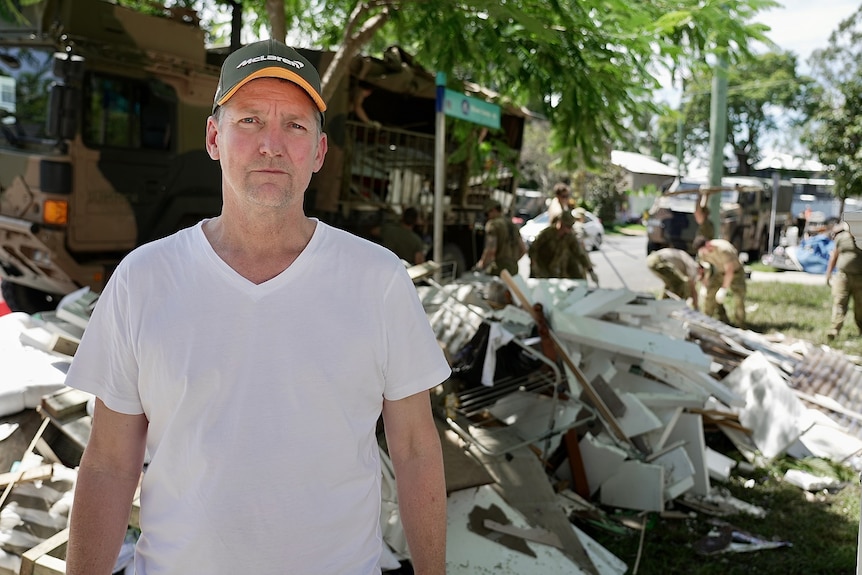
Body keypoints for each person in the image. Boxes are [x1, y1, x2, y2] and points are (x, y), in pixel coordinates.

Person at [64, 39, 450, 575]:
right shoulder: (144, 279)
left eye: (294, 125)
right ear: (214, 137)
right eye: (249, 120)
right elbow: (108, 463)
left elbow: (414, 449)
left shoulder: (378, 280)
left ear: (319, 151)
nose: (272, 144)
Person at [529, 210, 598, 283]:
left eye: (570, 227)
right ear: (560, 223)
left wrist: (590, 271)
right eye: (567, 226)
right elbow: (533, 249)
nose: (568, 230)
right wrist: (534, 266)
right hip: (542, 270)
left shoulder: (569, 236)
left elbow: (579, 253)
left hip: (557, 272)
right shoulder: (547, 234)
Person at [693, 235, 747, 327]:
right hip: (720, 272)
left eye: (703, 250)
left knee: (739, 298)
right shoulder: (702, 253)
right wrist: (704, 286)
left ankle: (740, 324)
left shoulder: (723, 249)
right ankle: (707, 321)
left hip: (736, 272)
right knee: (710, 295)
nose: (703, 253)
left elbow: (730, 271)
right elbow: (705, 270)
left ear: (708, 244)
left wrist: (723, 289)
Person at [825, 221, 862, 341]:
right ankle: (834, 330)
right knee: (839, 303)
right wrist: (828, 273)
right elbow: (834, 256)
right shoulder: (841, 238)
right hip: (843, 277)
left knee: (860, 307)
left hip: (860, 278)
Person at [476, 199, 526, 276]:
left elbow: (491, 250)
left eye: (487, 214)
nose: (487, 217)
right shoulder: (512, 225)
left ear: (493, 210)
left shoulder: (493, 225)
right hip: (514, 269)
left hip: (499, 269)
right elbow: (523, 249)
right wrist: (512, 262)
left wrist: (481, 265)